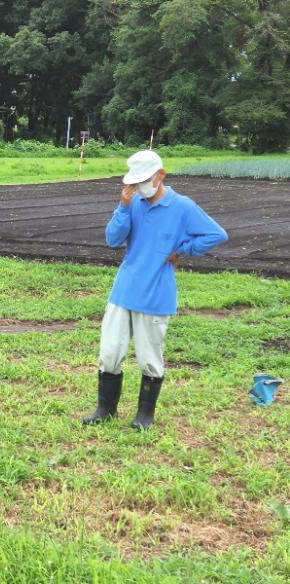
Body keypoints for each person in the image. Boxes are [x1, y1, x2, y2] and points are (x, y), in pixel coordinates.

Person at [82, 150, 227, 430]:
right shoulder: (133, 203)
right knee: (110, 352)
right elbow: (113, 239)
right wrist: (123, 208)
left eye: (144, 181)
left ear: (160, 176)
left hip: (156, 293)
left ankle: (144, 416)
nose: (139, 187)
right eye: (135, 182)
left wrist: (182, 249)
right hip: (124, 289)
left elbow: (216, 234)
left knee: (150, 357)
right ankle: (105, 409)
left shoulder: (182, 207)